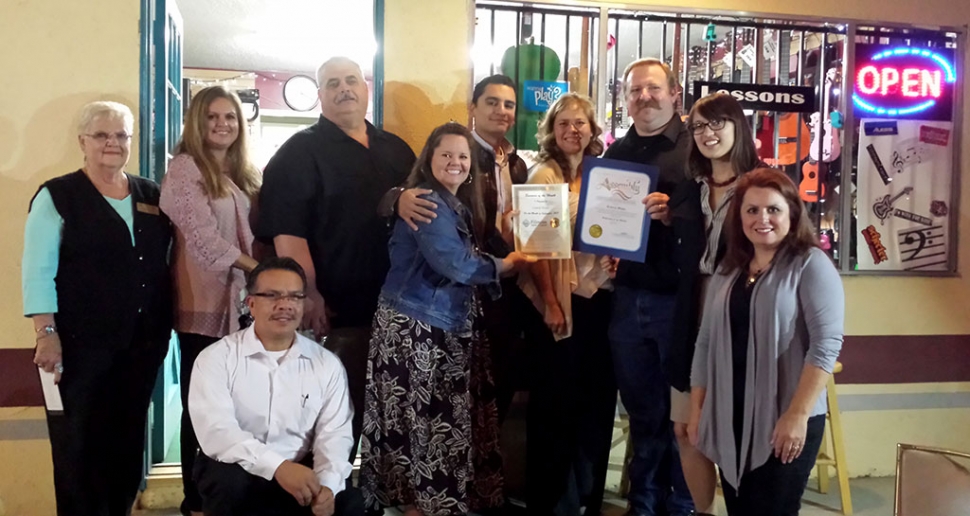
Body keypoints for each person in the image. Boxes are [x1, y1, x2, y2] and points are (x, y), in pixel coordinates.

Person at [360, 123, 535, 516]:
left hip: (435, 323)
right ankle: (422, 505)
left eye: (462, 156)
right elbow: (454, 264)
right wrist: (507, 265)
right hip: (418, 326)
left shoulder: (451, 202)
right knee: (424, 419)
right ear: (429, 159)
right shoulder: (430, 203)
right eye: (446, 154)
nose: (455, 162)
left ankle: (422, 502)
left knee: (424, 420)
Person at [255, 56, 416, 462]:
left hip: (399, 311)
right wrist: (308, 297)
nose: (343, 89)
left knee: (392, 418)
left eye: (350, 80)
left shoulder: (396, 149)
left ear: (365, 89)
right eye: (332, 83)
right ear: (320, 95)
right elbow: (288, 235)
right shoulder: (298, 153)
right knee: (329, 426)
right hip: (339, 315)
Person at [23, 101, 173, 515]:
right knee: (80, 446)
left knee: (126, 443)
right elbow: (37, 269)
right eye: (102, 135)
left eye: (121, 135)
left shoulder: (151, 194)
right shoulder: (58, 196)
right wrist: (45, 333)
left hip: (142, 346)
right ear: (82, 142)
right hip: (79, 346)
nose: (113, 143)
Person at [688, 168, 843, 516]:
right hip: (731, 415)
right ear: (739, 216)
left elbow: (826, 344)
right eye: (752, 210)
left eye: (773, 209)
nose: (763, 219)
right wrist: (698, 411)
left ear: (791, 212)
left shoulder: (810, 264)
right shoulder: (729, 270)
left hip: (784, 417)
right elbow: (706, 342)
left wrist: (797, 415)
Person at [387, 74, 540, 423]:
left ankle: (480, 468)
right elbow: (414, 194)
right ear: (473, 107)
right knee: (450, 401)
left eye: (509, 104)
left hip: (501, 285)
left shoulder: (516, 163)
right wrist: (396, 199)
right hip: (451, 295)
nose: (501, 111)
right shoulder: (458, 153)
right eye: (491, 102)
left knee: (496, 380)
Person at [189, 257, 363, 516]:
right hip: (238, 468)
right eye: (272, 295)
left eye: (294, 297)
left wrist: (328, 486)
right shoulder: (216, 358)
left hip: (300, 467)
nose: (285, 305)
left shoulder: (327, 364)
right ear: (251, 304)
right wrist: (278, 467)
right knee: (228, 483)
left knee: (349, 500)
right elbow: (218, 433)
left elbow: (335, 434)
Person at [159, 85, 262, 516]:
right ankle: (196, 500)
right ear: (197, 123)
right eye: (212, 117)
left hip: (245, 307)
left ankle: (235, 492)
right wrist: (258, 269)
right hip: (205, 306)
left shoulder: (246, 175)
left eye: (230, 118)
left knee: (244, 405)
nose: (222, 125)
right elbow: (202, 239)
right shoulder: (185, 170)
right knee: (202, 406)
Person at [602, 58, 693, 515]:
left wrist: (676, 218)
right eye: (635, 90)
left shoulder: (698, 149)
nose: (644, 97)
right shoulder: (616, 153)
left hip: (680, 302)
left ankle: (680, 505)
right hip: (628, 299)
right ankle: (643, 504)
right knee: (641, 416)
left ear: (675, 94)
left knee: (680, 418)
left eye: (653, 88)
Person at [516, 92, 615, 516]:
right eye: (564, 124)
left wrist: (617, 254)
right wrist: (552, 304)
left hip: (602, 303)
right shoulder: (543, 176)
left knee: (595, 407)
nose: (573, 130)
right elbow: (536, 249)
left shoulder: (604, 173)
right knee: (556, 409)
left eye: (581, 123)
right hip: (559, 306)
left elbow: (614, 232)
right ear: (551, 131)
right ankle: (553, 500)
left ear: (593, 130)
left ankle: (588, 498)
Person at [667, 92, 763, 516]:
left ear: (737, 126)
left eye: (716, 123)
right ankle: (702, 511)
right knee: (686, 428)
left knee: (735, 427)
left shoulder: (763, 185)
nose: (707, 134)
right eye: (698, 127)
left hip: (741, 317)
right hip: (690, 316)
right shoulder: (689, 191)